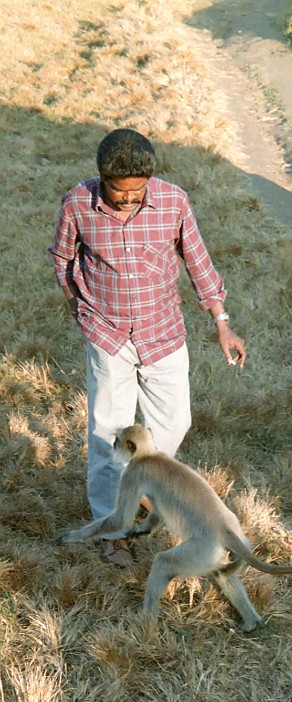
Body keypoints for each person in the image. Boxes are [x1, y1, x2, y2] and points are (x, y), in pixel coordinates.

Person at [50, 128, 247, 565]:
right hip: (107, 335)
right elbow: (61, 258)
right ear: (103, 181)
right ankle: (113, 529)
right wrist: (78, 310)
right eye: (121, 193)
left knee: (174, 422)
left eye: (138, 192)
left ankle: (139, 487)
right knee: (107, 434)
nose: (129, 200)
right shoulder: (77, 204)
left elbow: (198, 263)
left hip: (163, 333)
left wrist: (222, 324)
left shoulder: (173, 202)